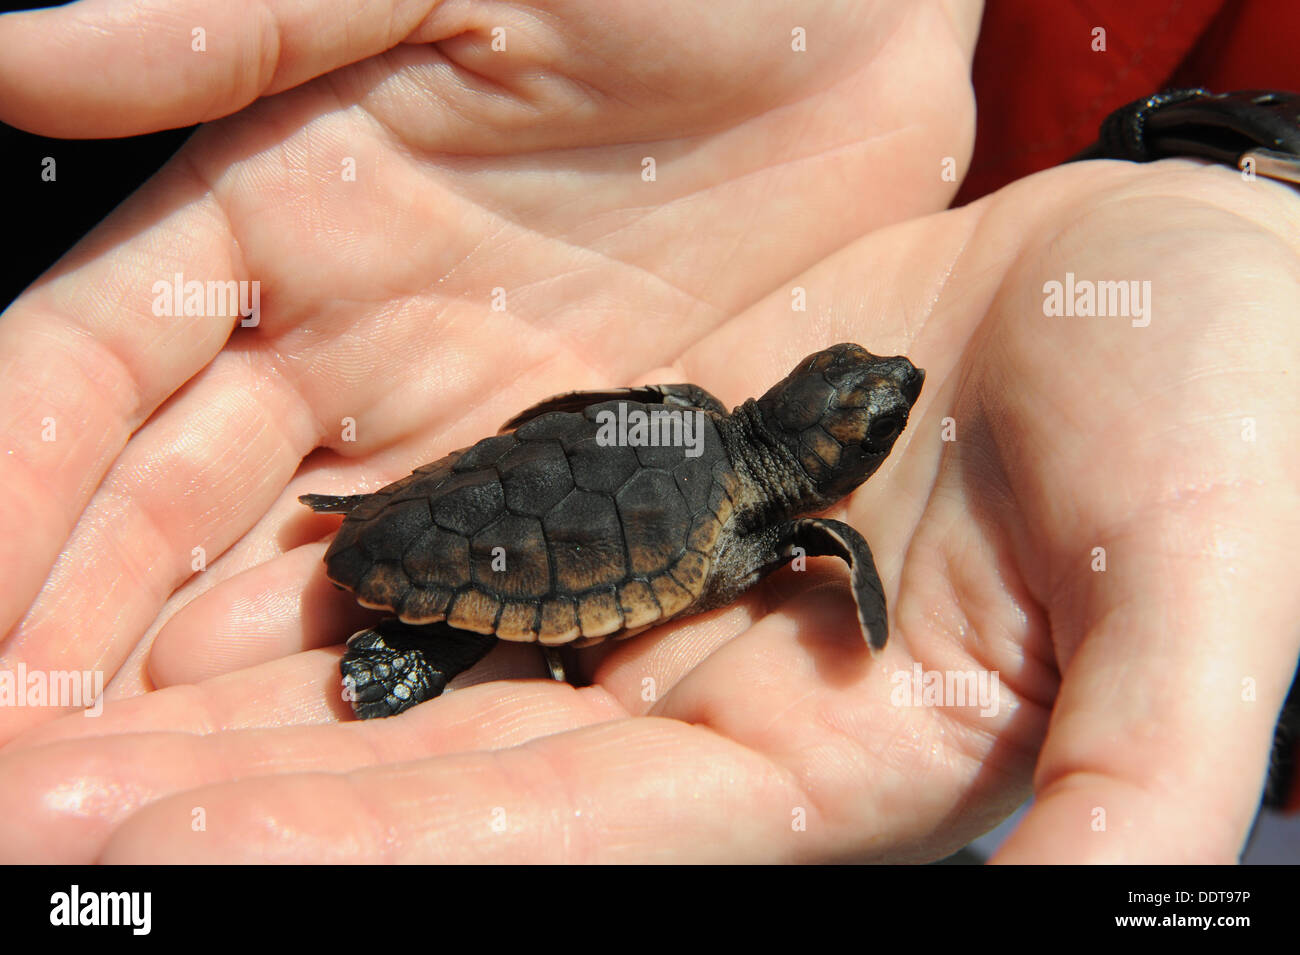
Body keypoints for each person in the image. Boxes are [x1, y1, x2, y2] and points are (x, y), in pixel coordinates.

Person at [0, 0, 1295, 863]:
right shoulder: (769, 523)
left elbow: (553, 435)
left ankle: (402, 582)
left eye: (877, 397)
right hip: (501, 532)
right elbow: (559, 448)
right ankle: (417, 642)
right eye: (865, 391)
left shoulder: (692, 432)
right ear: (826, 462)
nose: (888, 383)